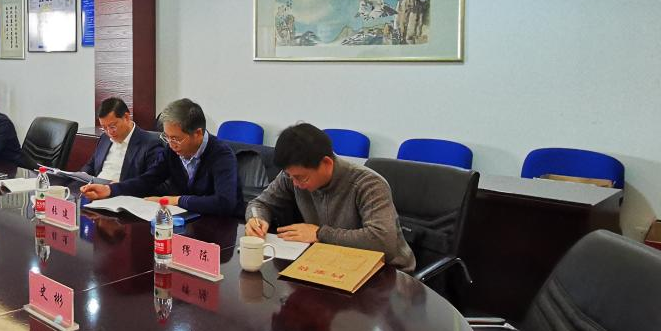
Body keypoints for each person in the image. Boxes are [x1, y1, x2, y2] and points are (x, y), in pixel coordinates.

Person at [243, 122, 415, 272]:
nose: (295, 183)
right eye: (290, 176)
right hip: (334, 263)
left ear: (326, 163)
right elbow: (260, 204)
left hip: (386, 273)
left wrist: (320, 234)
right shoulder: (292, 176)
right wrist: (256, 219)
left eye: (302, 178)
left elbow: (382, 241)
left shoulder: (368, 184)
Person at [81, 98, 241, 217]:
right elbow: (148, 179)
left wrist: (177, 200)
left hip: (219, 226)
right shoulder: (172, 150)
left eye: (176, 138)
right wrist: (110, 190)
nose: (171, 144)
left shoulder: (222, 155)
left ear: (197, 133)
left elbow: (224, 202)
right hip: (185, 221)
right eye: (167, 137)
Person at [78, 97, 164, 182]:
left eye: (112, 126)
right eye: (104, 127)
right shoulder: (104, 138)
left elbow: (151, 182)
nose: (109, 132)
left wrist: (117, 187)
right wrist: (80, 177)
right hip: (95, 187)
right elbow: (91, 165)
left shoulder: (150, 144)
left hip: (121, 189)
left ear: (126, 117)